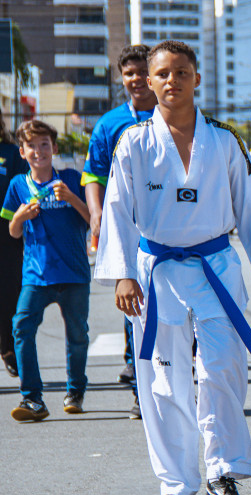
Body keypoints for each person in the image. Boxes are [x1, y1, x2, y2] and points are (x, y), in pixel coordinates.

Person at [95, 40, 251, 495]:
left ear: (196, 79)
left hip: (215, 267)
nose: (171, 81)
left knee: (222, 368)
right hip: (156, 271)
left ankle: (221, 474)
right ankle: (177, 480)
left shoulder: (224, 140)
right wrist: (122, 275)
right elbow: (118, 213)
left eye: (181, 72)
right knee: (163, 379)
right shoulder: (134, 143)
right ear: (148, 79)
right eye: (161, 73)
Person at [82, 44, 156, 419]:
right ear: (121, 78)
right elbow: (93, 176)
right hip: (125, 227)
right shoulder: (109, 124)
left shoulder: (175, 116)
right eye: (129, 73)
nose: (136, 80)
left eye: (143, 72)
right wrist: (96, 213)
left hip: (168, 228)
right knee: (134, 305)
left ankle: (178, 378)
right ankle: (141, 389)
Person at [3, 120, 90, 422]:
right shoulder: (17, 185)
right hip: (36, 276)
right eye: (32, 146)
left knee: (77, 335)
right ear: (22, 152)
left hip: (75, 274)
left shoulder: (72, 178)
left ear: (54, 148)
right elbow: (13, 232)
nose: (39, 151)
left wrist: (72, 198)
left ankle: (75, 391)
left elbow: (93, 218)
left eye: (44, 145)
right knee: (21, 328)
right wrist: (20, 217)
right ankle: (32, 399)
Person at [0, 108, 29, 378]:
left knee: (9, 297)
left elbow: (24, 189)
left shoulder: (10, 152)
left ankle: (7, 348)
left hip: (8, 236)